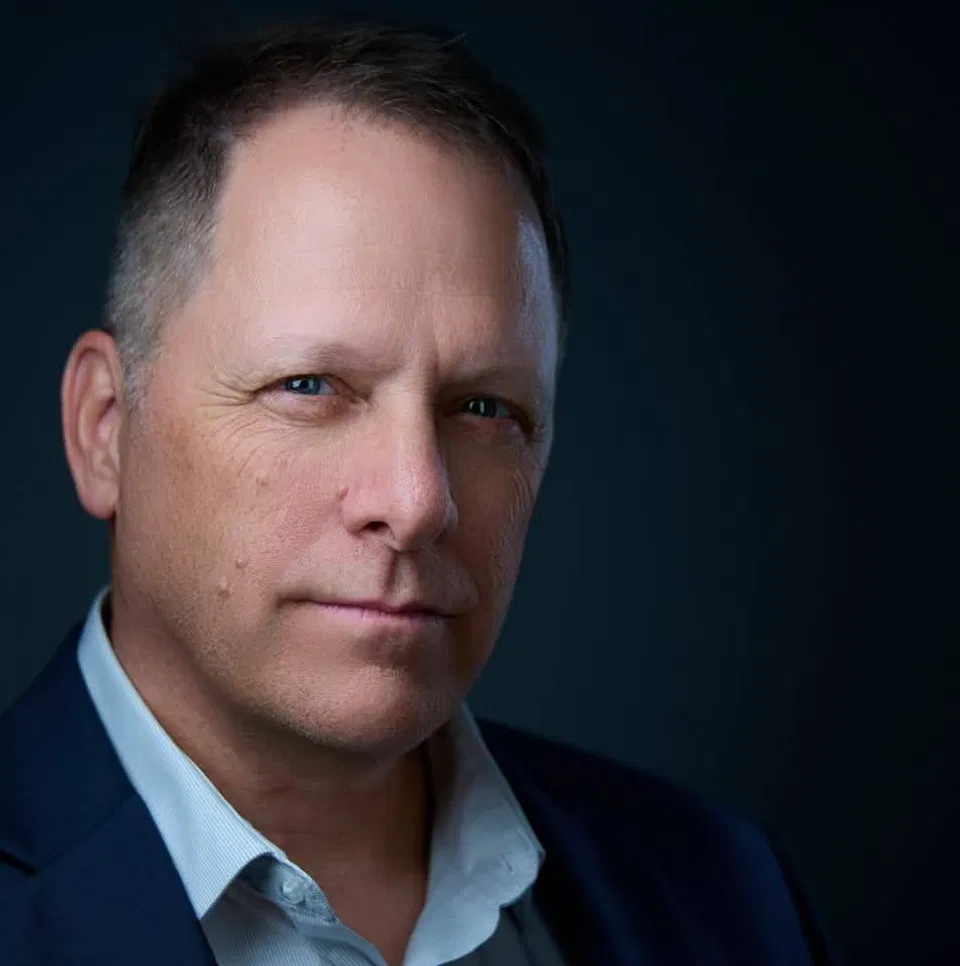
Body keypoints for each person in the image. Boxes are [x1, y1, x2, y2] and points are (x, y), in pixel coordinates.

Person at [0, 18, 836, 966]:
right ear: (106, 428)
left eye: (483, 407)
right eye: (310, 386)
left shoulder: (726, 892)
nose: (417, 498)